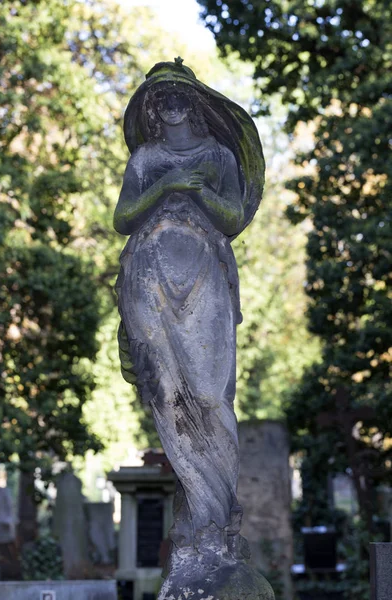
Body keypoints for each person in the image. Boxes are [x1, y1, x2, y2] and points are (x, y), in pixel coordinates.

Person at [114, 59, 264, 569]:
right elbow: (123, 218)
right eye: (162, 99)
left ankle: (219, 517)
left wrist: (199, 189)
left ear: (195, 103)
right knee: (164, 390)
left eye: (180, 97)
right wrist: (167, 184)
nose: (172, 106)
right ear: (153, 110)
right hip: (149, 274)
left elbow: (234, 216)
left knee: (209, 393)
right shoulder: (145, 160)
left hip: (204, 272)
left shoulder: (218, 155)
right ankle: (197, 521)